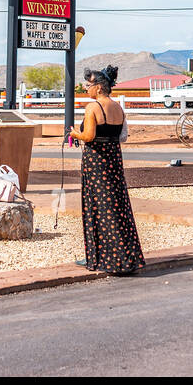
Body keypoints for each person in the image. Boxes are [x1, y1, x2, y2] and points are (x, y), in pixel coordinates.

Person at [69, 65, 144, 275]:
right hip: (114, 160)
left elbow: (89, 136)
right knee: (118, 206)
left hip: (96, 162)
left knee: (98, 207)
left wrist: (75, 134)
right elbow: (121, 136)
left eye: (89, 85)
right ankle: (125, 257)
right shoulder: (118, 108)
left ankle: (100, 258)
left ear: (100, 88)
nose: (86, 89)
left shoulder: (92, 108)